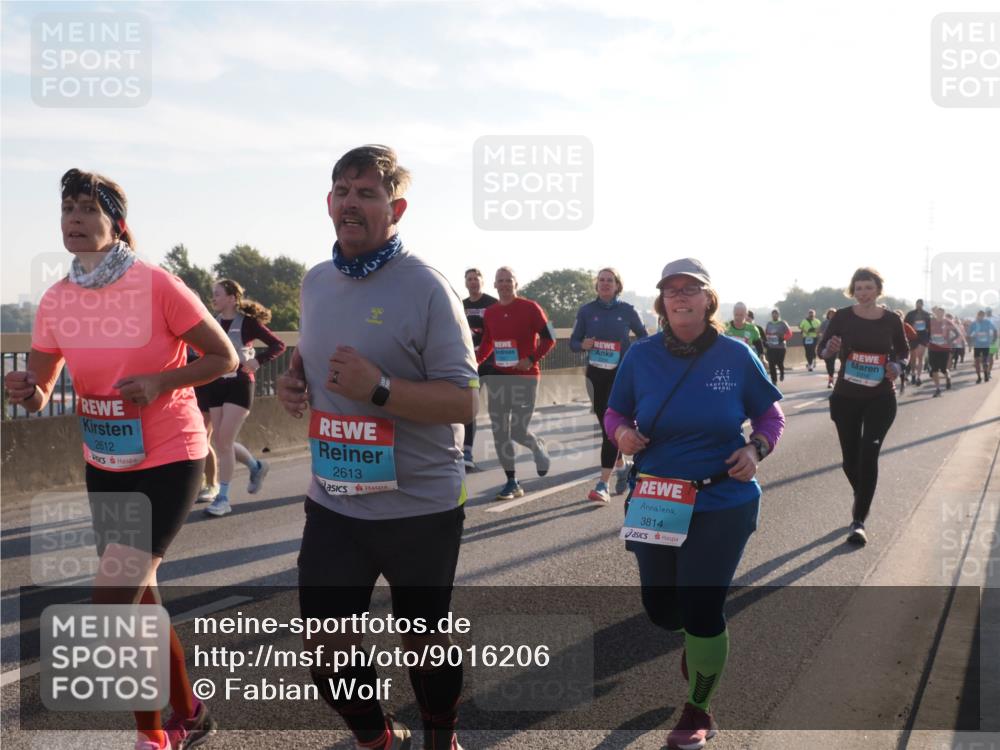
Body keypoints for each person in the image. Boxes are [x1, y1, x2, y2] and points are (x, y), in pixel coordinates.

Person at [4, 168, 237, 750]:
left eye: (89, 208)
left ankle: (152, 737)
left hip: (170, 453)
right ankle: (191, 709)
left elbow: (224, 357)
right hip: (106, 460)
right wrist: (23, 389)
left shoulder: (157, 284)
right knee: (142, 596)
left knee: (113, 598)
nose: (76, 220)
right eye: (68, 210)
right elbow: (42, 386)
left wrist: (160, 380)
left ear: (117, 222)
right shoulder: (56, 300)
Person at [277, 145, 478, 750]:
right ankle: (377, 740)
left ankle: (440, 731)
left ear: (396, 208)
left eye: (367, 194)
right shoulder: (315, 282)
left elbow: (464, 402)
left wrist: (381, 389)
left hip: (420, 504)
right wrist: (296, 381)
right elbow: (315, 361)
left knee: (422, 638)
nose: (351, 204)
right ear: (328, 203)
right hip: (336, 500)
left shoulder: (427, 287)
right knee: (326, 644)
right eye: (343, 191)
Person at [604, 257, 784, 750]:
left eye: (691, 289)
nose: (681, 296)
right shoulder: (640, 356)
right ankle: (698, 644)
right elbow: (615, 409)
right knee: (663, 610)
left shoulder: (735, 353)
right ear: (662, 302)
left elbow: (771, 416)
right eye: (672, 290)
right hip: (656, 497)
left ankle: (699, 706)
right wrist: (620, 432)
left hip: (722, 498)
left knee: (703, 609)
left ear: (709, 299)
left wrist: (755, 449)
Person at [818, 268, 908, 545]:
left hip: (880, 396)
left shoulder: (891, 319)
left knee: (869, 455)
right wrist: (830, 350)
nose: (863, 293)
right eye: (858, 288)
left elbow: (903, 351)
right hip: (846, 397)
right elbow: (823, 350)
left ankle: (858, 521)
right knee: (850, 460)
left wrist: (897, 365)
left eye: (868, 287)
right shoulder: (842, 317)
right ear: (852, 291)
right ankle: (864, 495)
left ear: (878, 289)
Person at [200, 280, 285, 517]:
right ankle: (256, 466)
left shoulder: (247, 324)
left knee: (223, 441)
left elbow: (277, 345)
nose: (213, 298)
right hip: (215, 385)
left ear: (231, 298)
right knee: (222, 441)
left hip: (239, 385)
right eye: (213, 295)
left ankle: (223, 498)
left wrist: (257, 361)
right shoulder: (212, 322)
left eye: (217, 294)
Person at [476, 267, 556, 501]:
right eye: (500, 281)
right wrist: (476, 360)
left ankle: (536, 445)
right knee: (500, 431)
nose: (504, 284)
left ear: (516, 283)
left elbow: (550, 339)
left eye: (508, 280)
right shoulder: (490, 313)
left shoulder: (531, 308)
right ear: (495, 285)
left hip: (526, 377)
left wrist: (530, 359)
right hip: (499, 377)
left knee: (518, 431)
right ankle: (512, 481)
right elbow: (489, 342)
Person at [569, 268, 648, 503]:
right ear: (597, 285)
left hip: (620, 375)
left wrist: (631, 353)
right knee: (605, 424)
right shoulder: (586, 311)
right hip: (595, 375)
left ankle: (603, 484)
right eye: (601, 280)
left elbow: (643, 337)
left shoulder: (627, 310)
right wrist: (583, 343)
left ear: (617, 285)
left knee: (608, 428)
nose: (605, 284)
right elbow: (573, 343)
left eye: (609, 280)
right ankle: (622, 466)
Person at [460, 267, 497, 472]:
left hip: (492, 363)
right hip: (470, 364)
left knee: (498, 410)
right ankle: (466, 451)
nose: (473, 282)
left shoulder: (492, 304)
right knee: (469, 407)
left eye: (476, 278)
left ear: (483, 281)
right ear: (465, 283)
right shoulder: (460, 305)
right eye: (469, 279)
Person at [927, 306, 965, 397]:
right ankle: (938, 389)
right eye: (938, 313)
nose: (939, 314)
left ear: (944, 314)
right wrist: (927, 339)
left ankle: (948, 377)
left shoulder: (948, 322)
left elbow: (958, 334)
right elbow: (925, 332)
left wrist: (950, 341)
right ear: (935, 313)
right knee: (934, 369)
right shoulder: (931, 321)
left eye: (941, 313)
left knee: (943, 369)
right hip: (933, 348)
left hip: (944, 349)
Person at [904, 299, 932, 386]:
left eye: (920, 304)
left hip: (923, 337)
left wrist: (928, 339)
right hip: (913, 337)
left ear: (922, 305)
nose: (919, 305)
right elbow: (905, 325)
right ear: (915, 304)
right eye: (917, 304)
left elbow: (930, 328)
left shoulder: (927, 315)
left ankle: (918, 377)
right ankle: (913, 374)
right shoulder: (910, 314)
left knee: (920, 357)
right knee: (913, 357)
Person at [893, 310, 919, 395]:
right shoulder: (890, 325)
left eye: (899, 316)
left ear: (902, 317)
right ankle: (893, 385)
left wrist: (905, 338)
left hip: (903, 349)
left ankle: (902, 383)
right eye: (895, 316)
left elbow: (914, 335)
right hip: (892, 349)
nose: (897, 318)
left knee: (900, 366)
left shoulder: (905, 326)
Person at [968, 309, 998, 383]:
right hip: (977, 345)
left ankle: (985, 375)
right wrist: (970, 342)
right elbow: (969, 333)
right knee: (977, 362)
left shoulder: (988, 322)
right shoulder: (974, 323)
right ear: (977, 315)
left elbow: (995, 330)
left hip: (985, 345)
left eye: (982, 315)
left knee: (984, 361)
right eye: (980, 315)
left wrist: (994, 340)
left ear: (984, 316)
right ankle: (979, 377)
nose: (981, 317)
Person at [764, 308, 792, 384]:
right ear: (771, 315)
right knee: (771, 364)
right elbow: (765, 334)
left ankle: (782, 372)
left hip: (781, 347)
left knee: (779, 363)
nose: (774, 315)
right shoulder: (769, 324)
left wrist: (783, 338)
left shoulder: (783, 323)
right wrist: (766, 341)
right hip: (771, 347)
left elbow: (789, 333)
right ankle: (774, 380)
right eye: (773, 314)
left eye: (776, 314)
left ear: (778, 315)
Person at [818, 308, 838, 388]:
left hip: (837, 344)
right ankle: (831, 378)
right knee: (829, 363)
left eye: (833, 314)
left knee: (837, 361)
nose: (832, 315)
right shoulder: (824, 323)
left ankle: (835, 379)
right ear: (828, 315)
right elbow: (819, 332)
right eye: (830, 314)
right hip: (827, 345)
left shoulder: (839, 322)